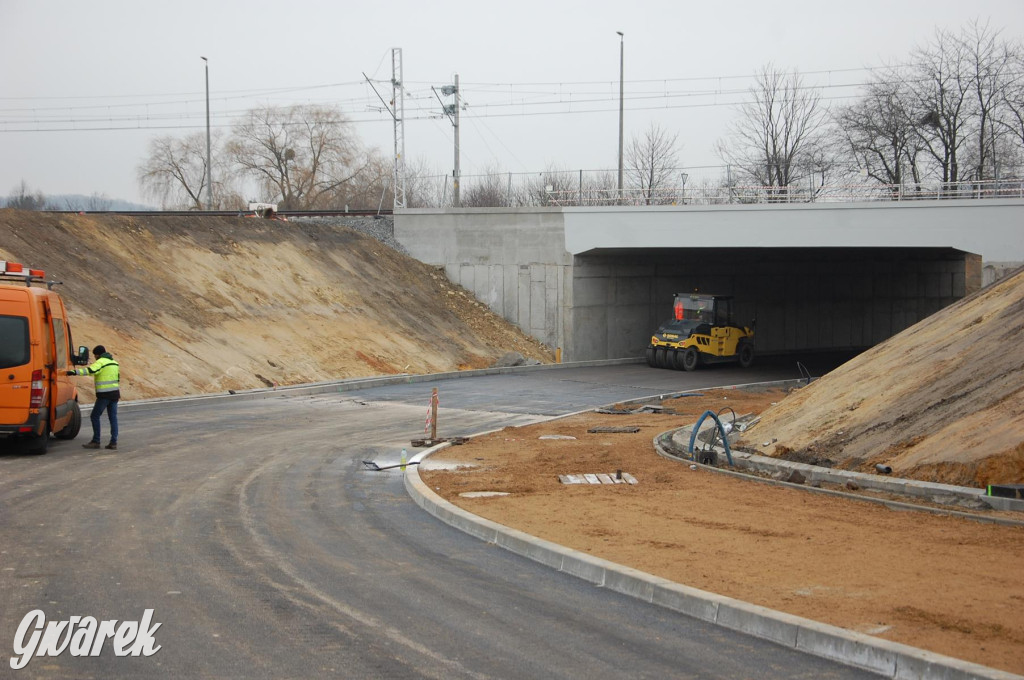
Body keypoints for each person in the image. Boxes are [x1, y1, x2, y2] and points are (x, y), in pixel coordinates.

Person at [68, 345, 120, 450]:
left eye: (95, 355)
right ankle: (113, 442)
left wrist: (73, 372)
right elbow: (117, 378)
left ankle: (96, 441)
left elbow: (90, 371)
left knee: (94, 416)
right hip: (115, 394)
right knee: (113, 418)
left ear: (97, 355)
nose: (95, 357)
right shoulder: (115, 363)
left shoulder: (100, 362)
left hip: (104, 395)